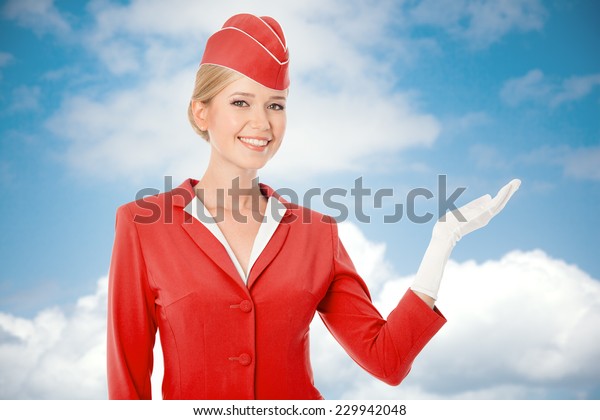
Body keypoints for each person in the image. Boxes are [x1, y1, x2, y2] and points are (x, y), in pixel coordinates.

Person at [106, 13, 520, 400]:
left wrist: (442, 239)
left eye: (275, 105)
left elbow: (386, 359)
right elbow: (128, 380)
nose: (262, 123)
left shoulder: (316, 233)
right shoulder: (143, 226)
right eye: (240, 102)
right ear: (201, 112)